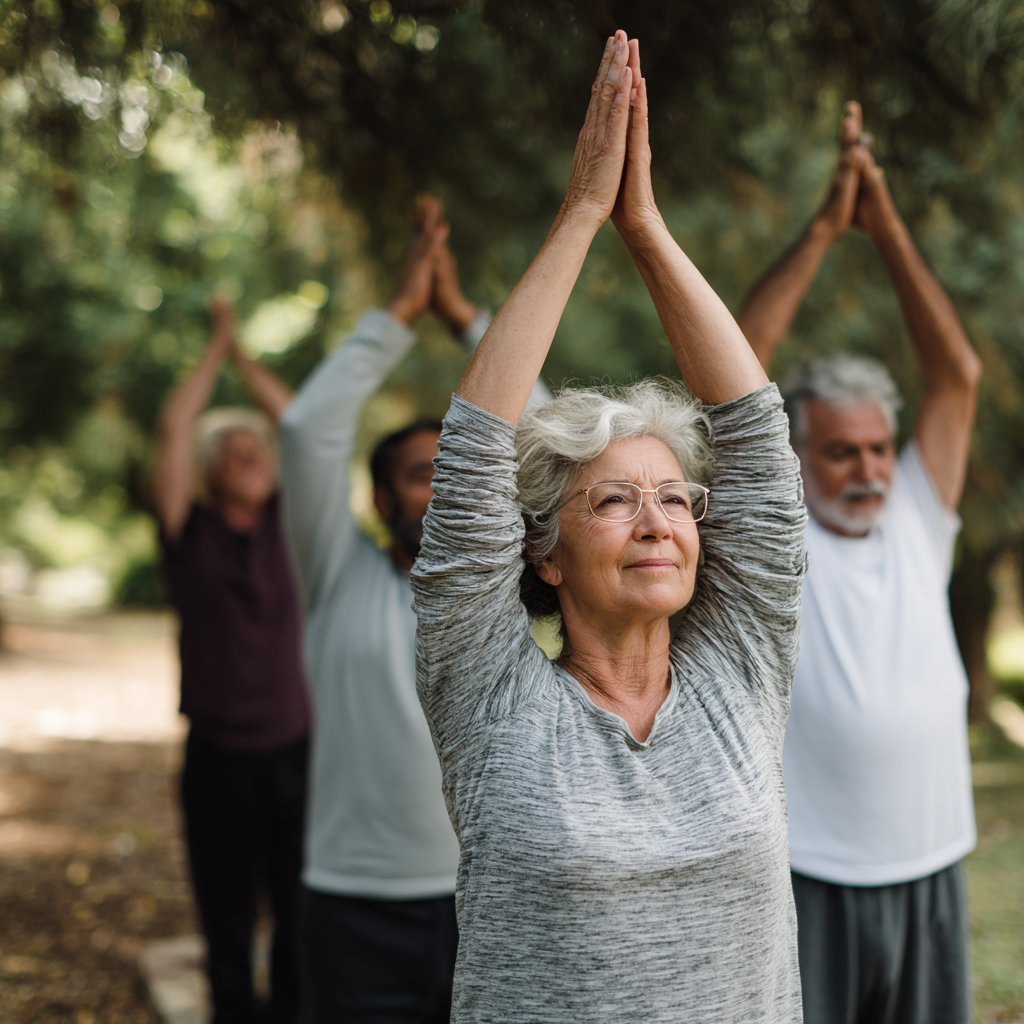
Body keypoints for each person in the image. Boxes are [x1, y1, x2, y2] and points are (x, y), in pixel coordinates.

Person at [410, 32, 807, 1021]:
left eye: (673, 496)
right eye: (613, 498)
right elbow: (470, 461)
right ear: (541, 551)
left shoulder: (742, 670)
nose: (655, 520)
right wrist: (585, 212)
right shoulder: (491, 699)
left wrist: (646, 227)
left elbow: (756, 442)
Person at [736, 102, 982, 1024]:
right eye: (843, 451)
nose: (871, 469)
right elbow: (735, 361)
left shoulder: (918, 513)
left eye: (880, 448)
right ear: (797, 456)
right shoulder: (775, 533)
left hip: (931, 864)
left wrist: (888, 229)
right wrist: (824, 232)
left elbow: (955, 375)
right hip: (810, 876)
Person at [279, 197, 544, 1023]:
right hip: (355, 902)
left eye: (454, 472)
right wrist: (397, 316)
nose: (440, 490)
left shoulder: (501, 587)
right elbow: (304, 429)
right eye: (420, 473)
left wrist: (472, 321)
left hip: (496, 892)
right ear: (380, 495)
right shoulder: (335, 573)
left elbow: (548, 438)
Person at [153, 299, 310, 1024]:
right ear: (213, 472)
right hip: (217, 756)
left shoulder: (290, 525)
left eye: (260, 450)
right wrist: (214, 353)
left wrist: (245, 357)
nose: (256, 459)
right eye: (238, 453)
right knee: (226, 920)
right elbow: (174, 428)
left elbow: (301, 423)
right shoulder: (189, 533)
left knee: (300, 918)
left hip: (298, 753)